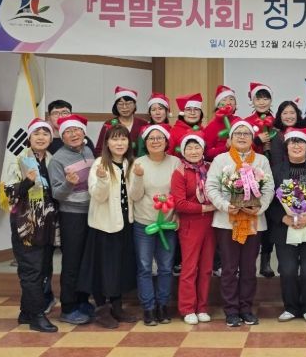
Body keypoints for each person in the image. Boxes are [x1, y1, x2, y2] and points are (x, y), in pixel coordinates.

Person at [205, 119, 275, 327]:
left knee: (248, 268)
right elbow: (211, 187)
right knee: (229, 268)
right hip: (227, 221)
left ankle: (246, 308)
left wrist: (259, 208)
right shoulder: (220, 159)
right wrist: (225, 206)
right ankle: (231, 310)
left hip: (254, 221)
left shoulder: (261, 160)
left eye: (246, 134)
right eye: (238, 133)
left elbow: (269, 188)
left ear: (252, 138)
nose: (242, 137)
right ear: (230, 138)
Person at [79, 124, 137, 329]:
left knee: (120, 267)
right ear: (107, 143)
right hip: (104, 226)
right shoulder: (99, 164)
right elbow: (98, 195)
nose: (119, 143)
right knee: (103, 269)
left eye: (123, 139)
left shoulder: (131, 163)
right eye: (115, 139)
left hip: (126, 223)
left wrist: (138, 177)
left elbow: (135, 194)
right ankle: (102, 310)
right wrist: (103, 179)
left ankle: (117, 307)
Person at [5, 119, 58, 332]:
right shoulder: (19, 160)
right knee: (32, 270)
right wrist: (27, 181)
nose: (41, 137)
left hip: (47, 224)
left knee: (42, 268)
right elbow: (9, 192)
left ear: (51, 138)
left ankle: (26, 312)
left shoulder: (53, 160)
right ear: (29, 137)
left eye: (45, 134)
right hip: (25, 224)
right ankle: (37, 315)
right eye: (36, 133)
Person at [269, 128, 306, 323]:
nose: (296, 146)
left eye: (300, 142)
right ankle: (291, 308)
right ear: (286, 146)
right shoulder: (276, 170)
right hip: (285, 229)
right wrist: (282, 217)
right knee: (288, 270)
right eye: (292, 142)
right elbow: (268, 202)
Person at [128, 123, 180, 326]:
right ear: (145, 142)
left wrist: (177, 216)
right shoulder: (138, 163)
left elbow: (179, 192)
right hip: (144, 223)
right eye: (151, 138)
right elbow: (134, 196)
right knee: (144, 267)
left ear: (166, 142)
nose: (155, 141)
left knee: (166, 267)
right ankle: (148, 308)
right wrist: (138, 177)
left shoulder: (175, 162)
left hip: (167, 225)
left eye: (159, 138)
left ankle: (163, 305)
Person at [47, 114, 95, 325]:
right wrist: (69, 183)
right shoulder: (57, 160)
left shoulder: (88, 151)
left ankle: (83, 301)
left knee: (86, 261)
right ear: (62, 136)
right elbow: (57, 194)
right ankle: (68, 307)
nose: (74, 134)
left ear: (83, 133)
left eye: (77, 130)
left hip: (92, 212)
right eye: (68, 132)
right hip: (72, 216)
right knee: (72, 262)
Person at [171, 132, 216, 325]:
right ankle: (187, 308)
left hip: (211, 224)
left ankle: (202, 307)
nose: (193, 151)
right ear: (183, 151)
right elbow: (179, 203)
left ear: (203, 149)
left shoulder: (211, 168)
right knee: (190, 268)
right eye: (189, 148)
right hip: (190, 224)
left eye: (197, 147)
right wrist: (205, 208)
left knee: (206, 268)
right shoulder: (180, 172)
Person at [269, 69, 306, 166]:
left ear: (297, 114)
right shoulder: (276, 135)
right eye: (285, 113)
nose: (289, 116)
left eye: (292, 113)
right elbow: (276, 162)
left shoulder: (302, 127)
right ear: (280, 116)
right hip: (283, 172)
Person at [95, 86, 148, 157]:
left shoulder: (143, 124)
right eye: (120, 104)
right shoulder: (109, 124)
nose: (124, 107)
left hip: (138, 162)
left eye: (128, 103)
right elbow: (99, 150)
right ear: (116, 106)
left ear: (135, 105)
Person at [204, 85, 238, 162]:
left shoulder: (239, 121)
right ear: (218, 105)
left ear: (235, 104)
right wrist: (225, 147)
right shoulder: (211, 127)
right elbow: (206, 154)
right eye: (224, 99)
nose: (228, 102)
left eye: (231, 99)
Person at [169, 93, 205, 158]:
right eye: (188, 109)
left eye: (196, 109)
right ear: (182, 113)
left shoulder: (204, 131)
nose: (192, 113)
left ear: (200, 113)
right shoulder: (173, 132)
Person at [245, 82, 275, 155]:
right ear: (252, 101)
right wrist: (256, 141)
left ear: (271, 101)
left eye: (265, 99)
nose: (262, 103)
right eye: (258, 99)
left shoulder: (277, 122)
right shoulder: (246, 123)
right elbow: (241, 148)